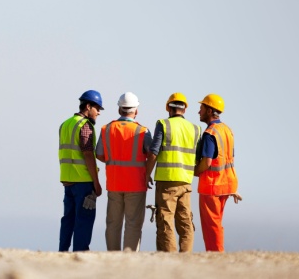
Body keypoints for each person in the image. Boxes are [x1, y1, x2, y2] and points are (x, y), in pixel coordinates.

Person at [96, 92, 153, 251]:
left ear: (119, 109)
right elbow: (152, 154)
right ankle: (129, 256)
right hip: (135, 184)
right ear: (136, 111)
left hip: (114, 183)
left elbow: (99, 154)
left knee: (113, 223)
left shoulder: (106, 129)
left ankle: (113, 255)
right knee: (133, 223)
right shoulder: (143, 131)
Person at [144, 92, 201, 252]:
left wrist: (147, 173)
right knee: (185, 222)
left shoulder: (163, 124)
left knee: (165, 221)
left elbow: (154, 152)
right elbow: (198, 157)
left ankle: (170, 257)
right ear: (185, 109)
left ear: (168, 107)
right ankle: (186, 256)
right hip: (186, 182)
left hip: (166, 181)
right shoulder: (195, 129)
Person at [194, 94, 241, 252]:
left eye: (201, 108)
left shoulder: (210, 133)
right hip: (227, 183)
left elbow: (207, 162)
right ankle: (217, 253)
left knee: (211, 225)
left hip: (212, 186)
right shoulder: (227, 130)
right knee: (217, 222)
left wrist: (194, 171)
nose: (198, 112)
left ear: (209, 110)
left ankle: (216, 255)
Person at [58, 90, 104, 251]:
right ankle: (80, 252)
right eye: (97, 108)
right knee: (84, 220)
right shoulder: (85, 126)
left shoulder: (65, 124)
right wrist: (97, 183)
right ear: (88, 106)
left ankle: (62, 252)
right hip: (83, 182)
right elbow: (87, 155)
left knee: (68, 220)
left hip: (67, 181)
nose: (98, 112)